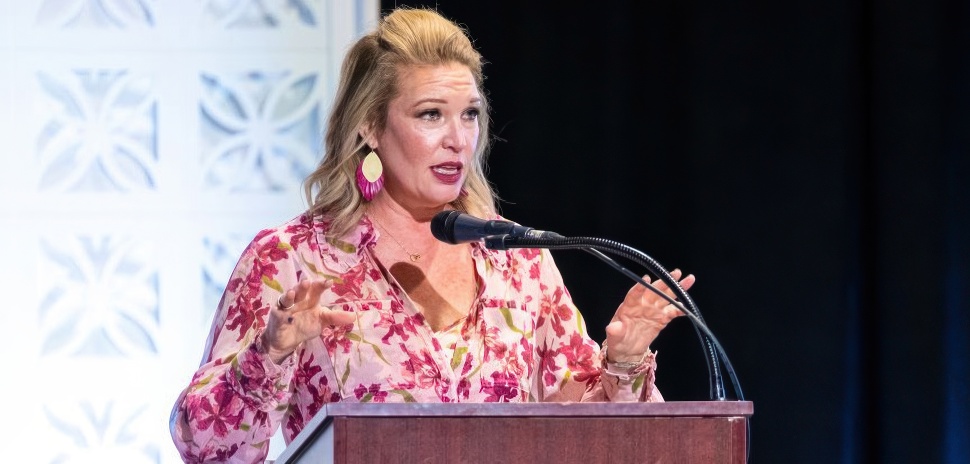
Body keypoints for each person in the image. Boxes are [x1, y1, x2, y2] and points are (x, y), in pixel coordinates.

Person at [169, 7, 695, 463]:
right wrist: (270, 354)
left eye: (469, 115)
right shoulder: (293, 259)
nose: (456, 139)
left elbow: (591, 439)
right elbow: (205, 448)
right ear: (370, 127)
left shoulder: (517, 260)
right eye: (430, 115)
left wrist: (624, 359)